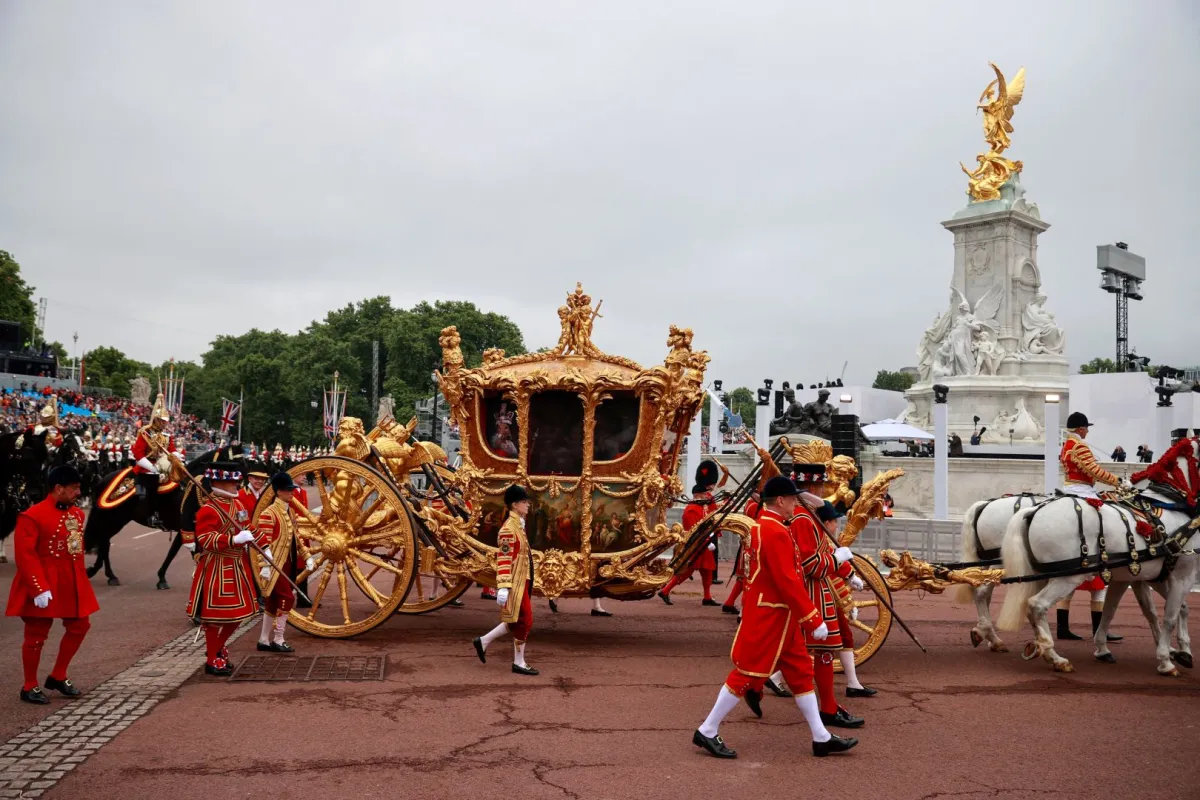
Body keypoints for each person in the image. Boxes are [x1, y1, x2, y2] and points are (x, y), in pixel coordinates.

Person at [691, 476, 856, 759]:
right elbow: (787, 581)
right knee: (747, 673)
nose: (795, 504)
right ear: (780, 501)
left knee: (802, 673)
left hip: (779, 615)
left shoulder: (766, 526)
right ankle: (707, 729)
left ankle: (821, 736)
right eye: (792, 500)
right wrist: (813, 618)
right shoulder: (775, 531)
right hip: (771, 614)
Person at [7, 466, 99, 704]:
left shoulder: (77, 515)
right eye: (74, 488)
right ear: (58, 488)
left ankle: (58, 675)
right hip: (44, 580)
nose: (78, 493)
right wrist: (38, 587)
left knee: (80, 625)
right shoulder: (32, 516)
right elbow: (26, 556)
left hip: (70, 579)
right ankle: (29, 685)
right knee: (37, 633)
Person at [786, 464, 867, 729]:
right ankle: (753, 685)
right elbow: (812, 564)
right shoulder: (801, 519)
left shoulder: (810, 516)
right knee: (806, 650)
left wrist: (846, 571)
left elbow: (823, 550)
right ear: (812, 487)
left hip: (819, 592)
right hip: (810, 592)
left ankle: (829, 706)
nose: (824, 489)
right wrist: (836, 560)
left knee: (823, 651)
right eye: (821, 485)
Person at [185, 462, 265, 676]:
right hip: (217, 567)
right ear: (219, 482)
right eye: (232, 482)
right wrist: (233, 539)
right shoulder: (208, 509)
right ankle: (212, 658)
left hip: (237, 565)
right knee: (215, 619)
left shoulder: (237, 505)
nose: (236, 485)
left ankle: (217, 648)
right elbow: (205, 539)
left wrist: (264, 545)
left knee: (239, 615)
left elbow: (248, 527)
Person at [472, 485, 539, 676]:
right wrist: (503, 586)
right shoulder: (508, 529)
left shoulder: (518, 525)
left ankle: (483, 641)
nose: (527, 505)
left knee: (516, 619)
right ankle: (519, 662)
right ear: (515, 504)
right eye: (524, 502)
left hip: (522, 579)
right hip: (514, 581)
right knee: (525, 620)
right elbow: (504, 559)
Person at [254, 472, 314, 654]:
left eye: (292, 490)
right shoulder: (268, 513)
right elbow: (262, 544)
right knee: (287, 598)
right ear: (279, 492)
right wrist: (264, 567)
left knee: (272, 602)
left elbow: (296, 538)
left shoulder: (289, 511)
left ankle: (264, 639)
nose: (292, 493)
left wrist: (307, 555)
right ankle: (278, 639)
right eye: (288, 490)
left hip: (286, 563)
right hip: (273, 565)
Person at [658, 460, 727, 607]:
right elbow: (694, 530)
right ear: (698, 495)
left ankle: (707, 597)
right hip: (697, 544)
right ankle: (665, 590)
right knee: (688, 570)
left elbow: (713, 515)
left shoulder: (704, 504)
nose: (706, 496)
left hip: (704, 542)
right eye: (704, 495)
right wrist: (707, 540)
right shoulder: (691, 510)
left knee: (707, 569)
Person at [1059, 412, 1130, 500]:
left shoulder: (1067, 444)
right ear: (1080, 429)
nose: (1088, 431)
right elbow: (1094, 471)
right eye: (1086, 428)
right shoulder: (1078, 445)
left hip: (1070, 487)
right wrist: (1118, 481)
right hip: (1081, 490)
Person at [131, 393, 172, 527]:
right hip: (147, 467)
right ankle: (151, 514)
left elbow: (171, 449)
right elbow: (138, 453)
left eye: (166, 421)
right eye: (162, 421)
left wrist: (177, 456)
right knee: (152, 484)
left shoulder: (166, 435)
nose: (165, 423)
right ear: (156, 420)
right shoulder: (145, 432)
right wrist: (152, 467)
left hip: (163, 466)